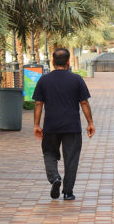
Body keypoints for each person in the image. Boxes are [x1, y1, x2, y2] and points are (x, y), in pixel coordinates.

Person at [33, 48, 95, 201]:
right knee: (71, 158)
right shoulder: (76, 79)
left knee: (49, 153)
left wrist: (36, 125)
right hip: (72, 126)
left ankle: (54, 178)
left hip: (51, 126)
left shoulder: (44, 80)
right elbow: (84, 102)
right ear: (68, 62)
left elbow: (38, 104)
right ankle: (68, 192)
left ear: (53, 62)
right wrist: (90, 123)